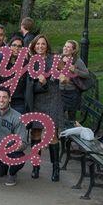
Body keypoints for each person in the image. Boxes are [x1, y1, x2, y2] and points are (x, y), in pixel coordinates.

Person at [27, 35, 64, 182]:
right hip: (37, 98)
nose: (40, 46)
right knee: (36, 132)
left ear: (47, 46)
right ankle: (36, 167)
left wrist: (63, 77)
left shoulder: (54, 59)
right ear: (34, 46)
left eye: (43, 44)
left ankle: (56, 168)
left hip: (53, 98)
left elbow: (65, 72)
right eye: (38, 44)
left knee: (52, 134)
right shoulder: (32, 61)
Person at [0, 36, 30, 114]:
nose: (16, 48)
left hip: (18, 101)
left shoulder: (26, 64)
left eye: (19, 46)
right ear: (9, 46)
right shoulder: (1, 61)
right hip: (1, 99)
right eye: (14, 45)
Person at [59, 40, 89, 122]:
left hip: (72, 93)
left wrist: (74, 70)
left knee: (71, 117)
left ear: (73, 50)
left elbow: (86, 74)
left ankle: (71, 132)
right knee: (59, 115)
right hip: (60, 91)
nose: (65, 48)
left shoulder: (77, 61)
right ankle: (61, 133)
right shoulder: (59, 58)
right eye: (65, 46)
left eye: (68, 47)